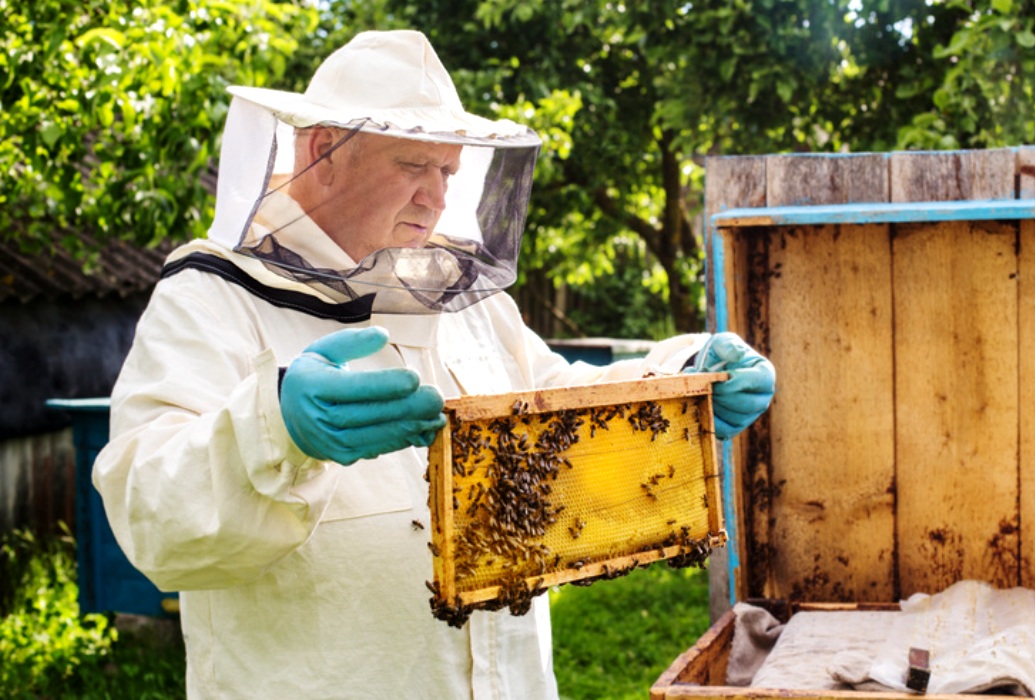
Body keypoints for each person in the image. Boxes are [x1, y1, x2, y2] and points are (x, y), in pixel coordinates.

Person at [92, 29, 775, 698]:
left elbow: (557, 400)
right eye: (413, 166)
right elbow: (148, 513)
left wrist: (680, 381)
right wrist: (273, 430)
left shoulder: (457, 297)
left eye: (448, 171)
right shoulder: (211, 300)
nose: (438, 196)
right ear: (323, 149)